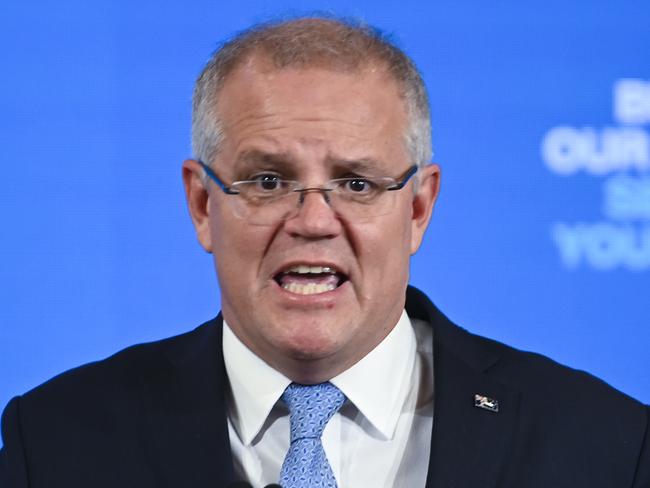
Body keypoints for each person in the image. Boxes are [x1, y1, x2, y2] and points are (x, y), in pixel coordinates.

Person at [1, 16, 649, 488]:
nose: (313, 220)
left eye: (357, 183)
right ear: (202, 205)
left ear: (419, 209)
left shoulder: (602, 445)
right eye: (267, 181)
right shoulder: (58, 439)